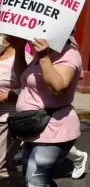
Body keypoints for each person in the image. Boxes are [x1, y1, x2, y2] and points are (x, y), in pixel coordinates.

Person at [16, 35, 83, 186]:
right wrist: (19, 49)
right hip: (33, 125)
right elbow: (23, 77)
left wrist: (43, 56)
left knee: (35, 182)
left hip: (52, 126)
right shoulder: (46, 52)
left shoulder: (68, 53)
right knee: (34, 179)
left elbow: (57, 88)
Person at [0, 34, 31, 184]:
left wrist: (8, 95)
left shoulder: (25, 58)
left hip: (8, 119)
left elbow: (31, 87)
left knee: (2, 166)